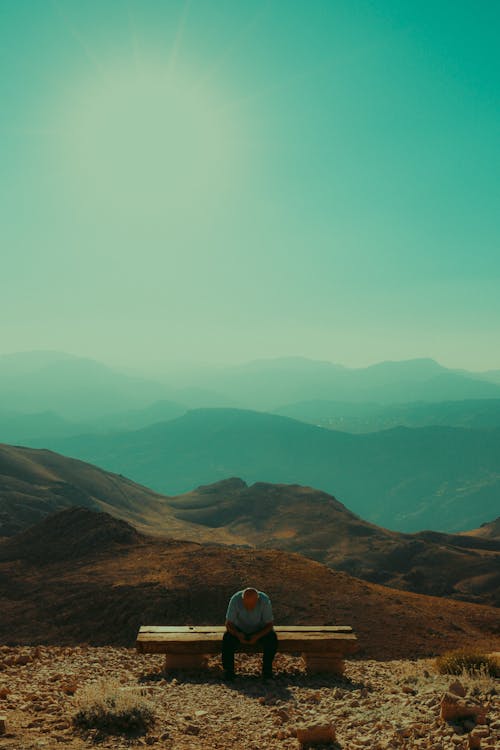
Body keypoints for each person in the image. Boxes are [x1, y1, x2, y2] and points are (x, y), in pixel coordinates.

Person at [222, 587, 278, 680]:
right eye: (246, 604)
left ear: (257, 600)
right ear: (242, 599)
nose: (249, 608)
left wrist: (257, 636)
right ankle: (228, 672)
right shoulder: (235, 599)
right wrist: (237, 634)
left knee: (272, 638)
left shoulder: (264, 600)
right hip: (239, 629)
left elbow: (269, 624)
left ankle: (267, 671)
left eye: (252, 605)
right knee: (227, 638)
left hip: (259, 629)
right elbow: (228, 623)